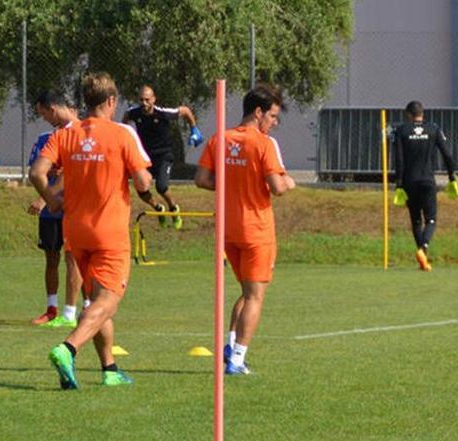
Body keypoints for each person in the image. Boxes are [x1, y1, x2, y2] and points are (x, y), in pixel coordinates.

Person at [31, 72, 152, 389]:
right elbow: (142, 183)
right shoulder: (123, 133)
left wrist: (52, 201)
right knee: (108, 302)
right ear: (112, 101)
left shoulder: (67, 134)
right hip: (108, 232)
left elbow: (37, 172)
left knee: (95, 303)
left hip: (76, 231)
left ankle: (109, 368)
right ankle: (67, 349)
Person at [195, 84, 295, 376]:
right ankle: (238, 358)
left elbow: (202, 179)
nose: (274, 123)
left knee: (245, 291)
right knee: (255, 296)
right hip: (256, 229)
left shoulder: (220, 139)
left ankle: (229, 346)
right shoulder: (263, 144)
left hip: (229, 230)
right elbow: (277, 187)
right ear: (259, 112)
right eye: (273, 116)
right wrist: (288, 182)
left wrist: (233, 183)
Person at [27, 90, 82, 328]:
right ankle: (51, 309)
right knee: (51, 257)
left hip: (71, 207)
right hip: (51, 211)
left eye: (43, 113)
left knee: (73, 259)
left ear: (53, 108)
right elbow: (39, 169)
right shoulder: (45, 138)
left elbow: (71, 172)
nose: (45, 119)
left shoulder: (79, 135)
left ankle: (71, 312)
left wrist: (44, 199)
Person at [390, 100, 458, 271]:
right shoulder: (433, 129)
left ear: (408, 115)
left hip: (409, 182)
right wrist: (452, 176)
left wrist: (398, 183)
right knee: (432, 219)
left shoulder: (402, 130)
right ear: (422, 113)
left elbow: (399, 159)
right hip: (427, 181)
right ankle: (424, 248)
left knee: (416, 221)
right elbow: (447, 155)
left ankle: (423, 257)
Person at [123, 84, 202, 229]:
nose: (144, 104)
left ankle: (174, 209)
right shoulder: (134, 113)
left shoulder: (163, 113)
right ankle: (159, 208)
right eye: (141, 100)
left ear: (153, 99)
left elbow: (185, 111)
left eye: (147, 100)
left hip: (164, 155)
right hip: (145, 157)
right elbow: (125, 119)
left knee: (161, 186)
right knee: (141, 188)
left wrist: (194, 129)